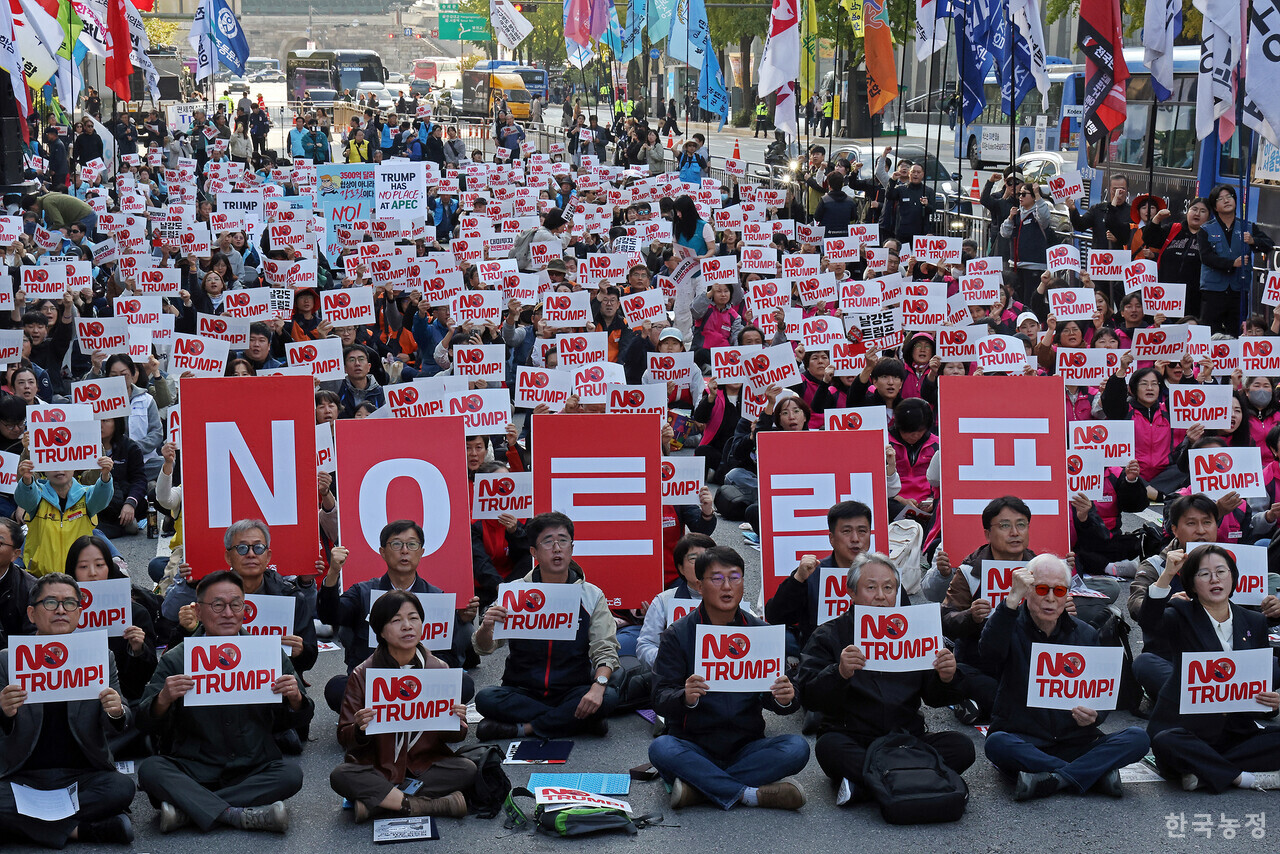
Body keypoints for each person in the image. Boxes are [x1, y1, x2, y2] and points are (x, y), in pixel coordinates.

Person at [136, 571, 313, 834]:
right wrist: (163, 699)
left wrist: (295, 698)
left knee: (290, 775)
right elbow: (144, 721)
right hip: (193, 767)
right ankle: (236, 814)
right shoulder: (177, 658)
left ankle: (189, 810)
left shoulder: (267, 652)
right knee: (151, 770)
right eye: (218, 605)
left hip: (253, 765)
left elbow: (298, 719)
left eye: (236, 605)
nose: (228, 613)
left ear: (245, 609)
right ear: (198, 611)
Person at [796, 552, 974, 806]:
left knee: (962, 746)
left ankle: (866, 787)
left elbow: (934, 698)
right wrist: (839, 672)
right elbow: (810, 696)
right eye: (871, 588)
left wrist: (947, 677)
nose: (881, 596)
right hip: (855, 738)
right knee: (829, 748)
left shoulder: (915, 632)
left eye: (888, 588)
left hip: (906, 740)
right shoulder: (829, 634)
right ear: (851, 592)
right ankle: (920, 778)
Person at [649, 546, 809, 810]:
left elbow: (783, 699)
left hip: (746, 746)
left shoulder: (760, 632)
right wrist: (685, 697)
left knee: (796, 748)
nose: (727, 587)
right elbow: (659, 697)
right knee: (661, 749)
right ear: (699, 586)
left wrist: (785, 697)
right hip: (693, 744)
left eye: (735, 577)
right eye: (717, 579)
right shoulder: (678, 634)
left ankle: (699, 789)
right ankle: (749, 794)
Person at [980, 555, 1149, 800]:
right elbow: (988, 654)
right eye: (1042, 589)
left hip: (1076, 741)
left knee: (1138, 738)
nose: (1050, 598)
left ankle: (1054, 779)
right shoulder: (1008, 625)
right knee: (996, 743)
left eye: (1059, 591)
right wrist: (1011, 601)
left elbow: (1098, 695)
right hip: (1025, 739)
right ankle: (1091, 774)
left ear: (1067, 595)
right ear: (1027, 590)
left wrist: (1094, 716)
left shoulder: (1085, 633)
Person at [0, 573, 136, 846]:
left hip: (83, 776)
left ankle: (29, 827)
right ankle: (83, 831)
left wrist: (116, 711)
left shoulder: (100, 656)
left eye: (70, 603)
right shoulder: (7, 659)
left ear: (79, 614)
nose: (61, 610)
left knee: (122, 788)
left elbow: (121, 719)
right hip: (22, 776)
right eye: (51, 603)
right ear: (32, 613)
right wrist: (4, 712)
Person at [1143, 545, 1280, 792]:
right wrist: (1166, 576)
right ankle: (1244, 778)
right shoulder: (1180, 613)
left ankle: (1202, 771)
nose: (1214, 579)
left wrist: (1271, 701)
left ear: (1233, 577)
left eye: (1221, 572)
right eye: (1204, 574)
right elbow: (1149, 622)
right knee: (1165, 741)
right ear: (1192, 584)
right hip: (1186, 730)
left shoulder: (1254, 621)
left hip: (1235, 734)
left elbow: (1257, 683)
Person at [472, 512, 620, 739]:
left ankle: (525, 728)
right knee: (485, 699)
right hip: (523, 691)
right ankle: (579, 721)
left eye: (563, 541)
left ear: (572, 548)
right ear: (534, 552)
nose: (557, 548)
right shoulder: (515, 591)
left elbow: (605, 648)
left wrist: (598, 687)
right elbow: (484, 648)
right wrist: (486, 628)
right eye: (548, 542)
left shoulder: (591, 595)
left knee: (608, 697)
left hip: (571, 690)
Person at [330, 591, 474, 821]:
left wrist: (457, 721)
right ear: (381, 631)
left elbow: (455, 737)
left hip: (423, 767)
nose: (407, 626)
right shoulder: (363, 673)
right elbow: (344, 736)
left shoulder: (438, 670)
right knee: (341, 775)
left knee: (467, 769)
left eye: (413, 618)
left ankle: (381, 804)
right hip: (378, 768)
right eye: (396, 620)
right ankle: (426, 805)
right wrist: (359, 728)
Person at [319, 520, 479, 713]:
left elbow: (449, 657)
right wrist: (333, 573)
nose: (404, 551)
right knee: (336, 688)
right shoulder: (363, 592)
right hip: (375, 683)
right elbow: (330, 615)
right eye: (396, 544)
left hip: (421, 684)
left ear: (421, 552)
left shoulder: (437, 597)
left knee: (464, 684)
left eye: (412, 544)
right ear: (382, 552)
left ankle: (406, 713)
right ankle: (387, 715)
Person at [159, 520, 317, 683]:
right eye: (242, 548)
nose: (251, 554)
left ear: (268, 556)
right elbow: (174, 657)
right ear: (228, 557)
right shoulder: (207, 594)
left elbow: (309, 660)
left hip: (273, 687)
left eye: (258, 548)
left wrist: (301, 651)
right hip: (216, 685)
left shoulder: (290, 597)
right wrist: (185, 630)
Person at [764, 501, 876, 656]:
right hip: (819, 658)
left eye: (862, 531)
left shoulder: (883, 574)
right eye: (846, 531)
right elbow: (775, 617)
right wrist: (798, 580)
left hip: (873, 655)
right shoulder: (811, 574)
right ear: (831, 538)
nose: (855, 539)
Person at [15, 457, 114, 577]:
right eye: (53, 464)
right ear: (44, 470)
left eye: (64, 464)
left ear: (74, 467)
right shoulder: (36, 494)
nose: (59, 470)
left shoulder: (87, 494)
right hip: (40, 577)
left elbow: (102, 498)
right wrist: (26, 480)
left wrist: (105, 476)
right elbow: (24, 499)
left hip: (78, 577)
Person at [1199, 184, 1276, 335]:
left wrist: (1253, 241)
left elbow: (1269, 244)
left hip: (1238, 289)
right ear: (1214, 206)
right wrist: (1232, 264)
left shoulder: (1248, 226)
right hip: (1213, 290)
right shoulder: (1206, 229)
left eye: (1229, 197)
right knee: (1209, 331)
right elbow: (1206, 257)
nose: (1226, 200)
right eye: (1220, 199)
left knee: (1236, 332)